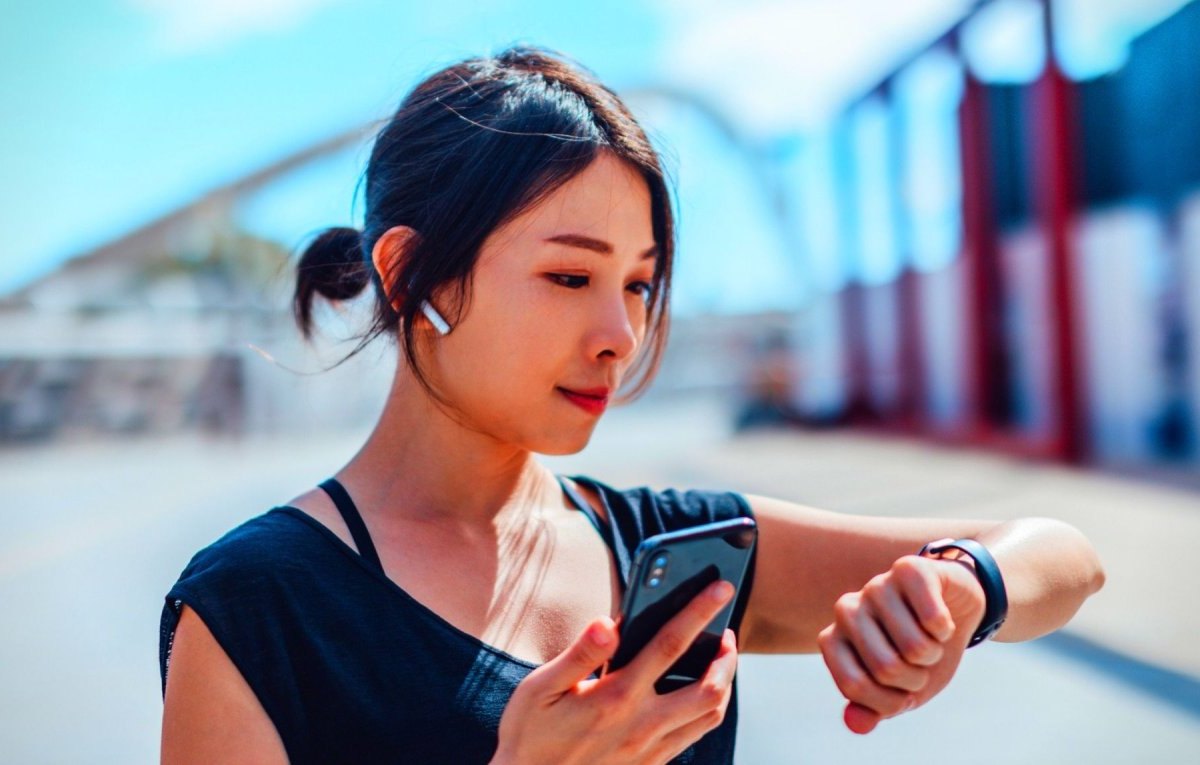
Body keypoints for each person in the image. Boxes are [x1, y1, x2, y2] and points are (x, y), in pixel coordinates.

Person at [158, 47, 1105, 764]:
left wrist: (961, 586)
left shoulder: (670, 554)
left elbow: (1064, 555)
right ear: (410, 275)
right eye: (569, 275)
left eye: (641, 284)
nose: (620, 332)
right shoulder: (256, 609)